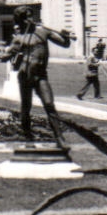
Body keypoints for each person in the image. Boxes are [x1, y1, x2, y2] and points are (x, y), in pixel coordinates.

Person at [10, 9, 72, 142]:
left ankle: (59, 136)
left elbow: (65, 44)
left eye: (31, 16)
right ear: (21, 20)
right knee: (26, 106)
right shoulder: (19, 37)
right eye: (27, 17)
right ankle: (27, 136)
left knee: (49, 104)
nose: (30, 19)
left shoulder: (43, 32)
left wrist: (66, 36)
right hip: (25, 75)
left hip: (40, 75)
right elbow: (7, 55)